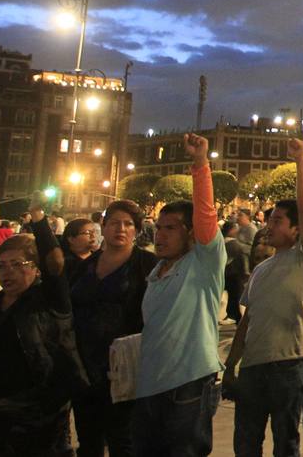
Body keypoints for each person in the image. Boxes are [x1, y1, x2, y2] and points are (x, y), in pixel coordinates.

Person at [224, 136, 303, 457]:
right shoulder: (262, 269)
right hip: (253, 367)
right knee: (245, 443)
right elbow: (248, 320)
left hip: (289, 365)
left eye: (278, 221)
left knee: (285, 442)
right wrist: (231, 365)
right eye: (269, 220)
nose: (268, 226)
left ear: (297, 230)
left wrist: (301, 162)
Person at [130, 132, 225, 457]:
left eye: (170, 228)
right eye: (158, 227)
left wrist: (200, 164)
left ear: (190, 233)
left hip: (188, 385)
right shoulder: (156, 273)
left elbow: (205, 215)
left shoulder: (203, 264)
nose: (160, 235)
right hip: (148, 387)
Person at [0, 192, 89, 456]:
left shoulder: (49, 300)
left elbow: (55, 265)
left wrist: (38, 219)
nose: (7, 272)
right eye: (2, 266)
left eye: (17, 264)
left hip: (38, 414)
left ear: (36, 268)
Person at [69, 198, 158, 457]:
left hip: (126, 365)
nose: (121, 228)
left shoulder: (147, 264)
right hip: (85, 365)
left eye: (128, 224)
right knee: (88, 438)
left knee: (123, 439)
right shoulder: (85, 265)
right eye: (114, 223)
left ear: (137, 230)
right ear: (103, 227)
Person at [224, 219, 250, 323]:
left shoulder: (223, 243)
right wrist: (245, 271)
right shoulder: (235, 245)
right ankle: (236, 316)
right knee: (236, 296)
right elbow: (241, 260)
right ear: (231, 230)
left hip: (229, 274)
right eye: (235, 228)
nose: (237, 230)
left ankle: (233, 315)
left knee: (233, 296)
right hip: (234, 274)